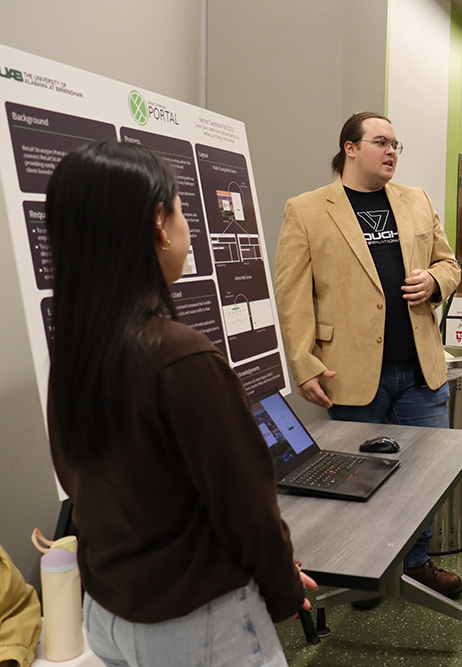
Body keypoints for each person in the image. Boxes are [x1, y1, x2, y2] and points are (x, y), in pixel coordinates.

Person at [45, 140, 313, 667]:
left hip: (109, 615)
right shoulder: (180, 358)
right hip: (198, 626)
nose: (188, 226)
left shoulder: (76, 353)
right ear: (158, 225)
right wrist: (283, 590)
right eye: (179, 208)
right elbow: (246, 504)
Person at [274, 111, 462, 601]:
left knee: (424, 477)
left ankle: (417, 565)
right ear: (350, 148)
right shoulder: (308, 209)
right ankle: (358, 571)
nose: (392, 152)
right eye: (382, 142)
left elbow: (448, 263)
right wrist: (303, 361)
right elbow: (292, 294)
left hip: (419, 367)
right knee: (354, 479)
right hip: (351, 372)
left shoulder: (416, 200)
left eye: (397, 144)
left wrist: (436, 280)